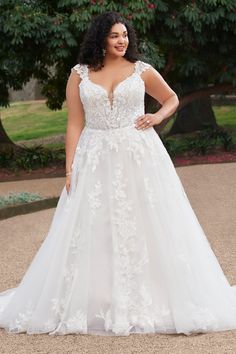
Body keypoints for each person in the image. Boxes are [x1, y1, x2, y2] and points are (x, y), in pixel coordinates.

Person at [0, 11, 236, 337]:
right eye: (114, 35)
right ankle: (100, 298)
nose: (122, 40)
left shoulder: (142, 71)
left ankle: (148, 296)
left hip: (139, 153)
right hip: (94, 154)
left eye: (125, 35)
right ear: (101, 38)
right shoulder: (79, 75)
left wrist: (156, 117)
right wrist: (69, 168)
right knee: (94, 225)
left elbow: (171, 99)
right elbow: (74, 123)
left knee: (145, 219)